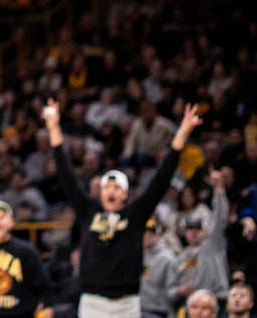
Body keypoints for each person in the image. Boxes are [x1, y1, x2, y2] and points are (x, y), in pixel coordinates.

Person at [42, 100, 202, 318]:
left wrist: (182, 132)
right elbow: (67, 176)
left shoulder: (134, 215)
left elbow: (161, 179)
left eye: (117, 187)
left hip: (127, 303)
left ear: (125, 194)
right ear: (100, 193)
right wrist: (54, 128)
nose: (111, 191)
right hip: (92, 301)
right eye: (107, 187)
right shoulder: (89, 212)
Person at [168, 170, 231, 308]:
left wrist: (219, 189)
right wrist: (179, 291)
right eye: (190, 230)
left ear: (205, 231)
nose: (194, 233)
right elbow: (169, 290)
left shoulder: (214, 245)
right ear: (185, 234)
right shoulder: (180, 256)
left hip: (217, 304)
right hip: (191, 307)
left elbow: (220, 218)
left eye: (198, 229)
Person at [139, 219, 174, 318]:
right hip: (137, 306)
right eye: (144, 232)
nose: (147, 236)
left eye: (152, 233)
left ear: (159, 235)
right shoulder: (137, 255)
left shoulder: (168, 258)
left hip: (158, 309)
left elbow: (172, 290)